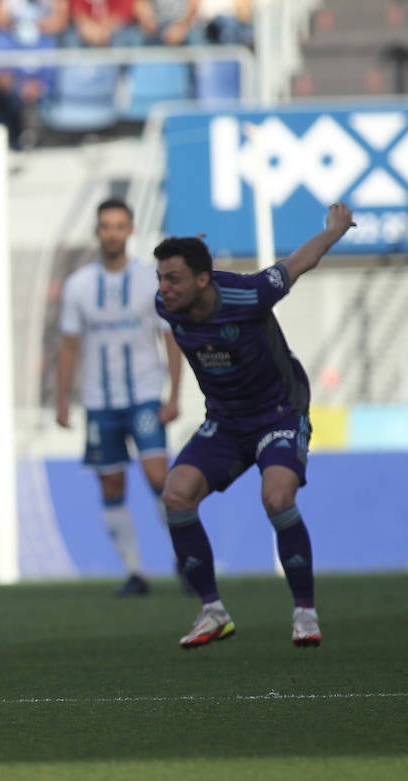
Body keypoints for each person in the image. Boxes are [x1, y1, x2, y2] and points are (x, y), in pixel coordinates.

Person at [154, 201, 355, 650]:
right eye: (161, 279)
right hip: (224, 422)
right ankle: (212, 611)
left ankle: (305, 612)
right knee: (176, 494)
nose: (164, 289)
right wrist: (189, 255)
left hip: (278, 414)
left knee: (277, 496)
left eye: (173, 278)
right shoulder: (168, 305)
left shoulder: (251, 294)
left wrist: (334, 229)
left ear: (202, 280)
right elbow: (175, 293)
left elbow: (299, 262)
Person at [55, 198, 184, 597]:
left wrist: (174, 394)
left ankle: (186, 557)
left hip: (145, 394)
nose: (112, 233)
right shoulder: (79, 285)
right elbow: (70, 345)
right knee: (111, 485)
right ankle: (135, 573)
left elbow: (171, 338)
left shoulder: (150, 280)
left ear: (130, 231)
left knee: (159, 479)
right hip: (99, 401)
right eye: (105, 226)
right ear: (97, 233)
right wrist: (62, 400)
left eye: (119, 226)